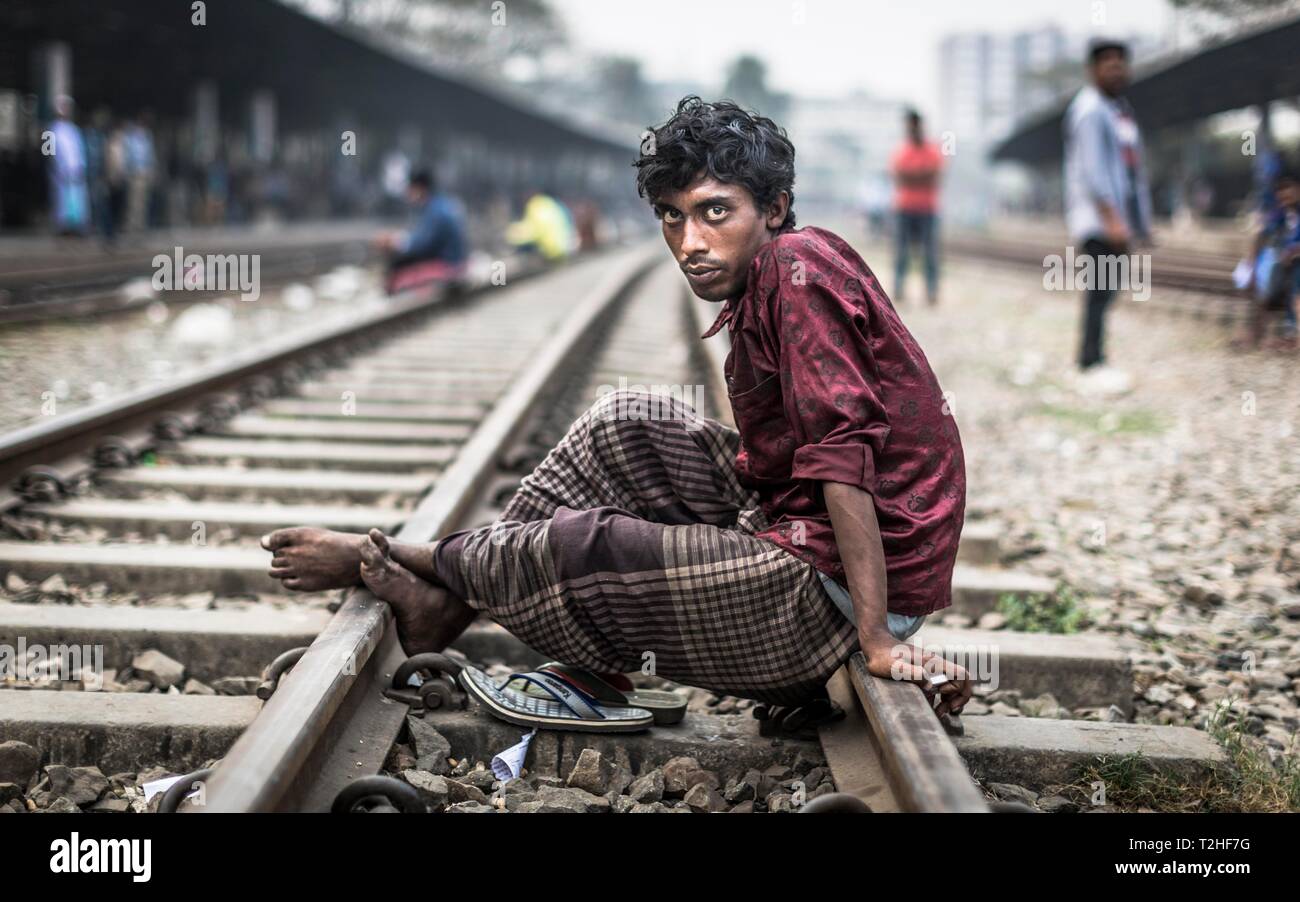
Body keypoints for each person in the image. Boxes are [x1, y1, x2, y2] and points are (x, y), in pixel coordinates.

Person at [263, 96, 972, 724]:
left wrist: (877, 639)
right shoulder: (768, 273)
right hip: (799, 532)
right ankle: (453, 596)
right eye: (673, 216)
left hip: (836, 594)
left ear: (776, 209)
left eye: (715, 212)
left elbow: (843, 457)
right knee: (625, 421)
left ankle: (398, 558)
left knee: (587, 545)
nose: (690, 243)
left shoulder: (798, 271)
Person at [1063, 38, 1153, 374]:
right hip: (1098, 220)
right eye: (1108, 62)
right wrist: (1113, 219)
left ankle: (1095, 357)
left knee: (1108, 288)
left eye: (1121, 62)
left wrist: (1139, 222)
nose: (1116, 68)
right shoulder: (1089, 109)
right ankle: (1090, 360)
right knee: (1100, 289)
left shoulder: (1120, 111)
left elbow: (1130, 170)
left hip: (1118, 219)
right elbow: (1093, 170)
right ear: (1093, 70)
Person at [374, 168, 469, 295]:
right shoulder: (440, 205)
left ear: (419, 189)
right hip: (453, 259)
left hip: (449, 263)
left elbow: (422, 245)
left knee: (397, 265)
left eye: (410, 189)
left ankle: (395, 296)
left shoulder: (436, 211)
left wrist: (394, 242)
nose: (408, 194)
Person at [1242, 168, 1300, 349]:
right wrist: (1251, 265)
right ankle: (1257, 333)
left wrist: (1295, 251)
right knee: (1267, 279)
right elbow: (1260, 234)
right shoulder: (1281, 215)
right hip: (1286, 266)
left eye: (1287, 189)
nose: (1283, 195)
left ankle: (1294, 334)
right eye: (1280, 191)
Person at [890, 109, 943, 305]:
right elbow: (900, 177)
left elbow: (934, 177)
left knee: (929, 253)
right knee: (901, 252)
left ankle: (931, 292)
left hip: (927, 209)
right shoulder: (901, 151)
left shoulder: (933, 150)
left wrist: (911, 176)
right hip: (904, 208)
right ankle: (899, 290)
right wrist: (921, 175)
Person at [45, 96, 90, 236]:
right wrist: (57, 169)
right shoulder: (50, 130)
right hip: (60, 173)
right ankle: (63, 227)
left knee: (77, 200)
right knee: (61, 201)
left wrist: (81, 167)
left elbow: (80, 151)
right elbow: (47, 153)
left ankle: (77, 227)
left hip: (76, 172)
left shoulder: (74, 130)